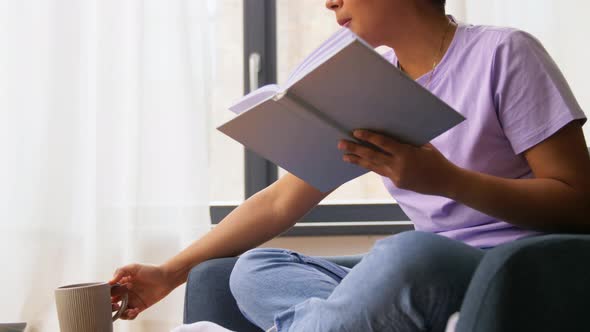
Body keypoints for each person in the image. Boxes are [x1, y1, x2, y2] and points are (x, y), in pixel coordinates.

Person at [110, 0, 590, 331]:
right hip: (415, 277)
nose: (328, 1)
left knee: (406, 254)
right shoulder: (368, 80)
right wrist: (170, 273)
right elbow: (281, 200)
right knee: (252, 270)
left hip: (509, 271)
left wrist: (447, 181)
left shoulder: (504, 53)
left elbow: (579, 203)